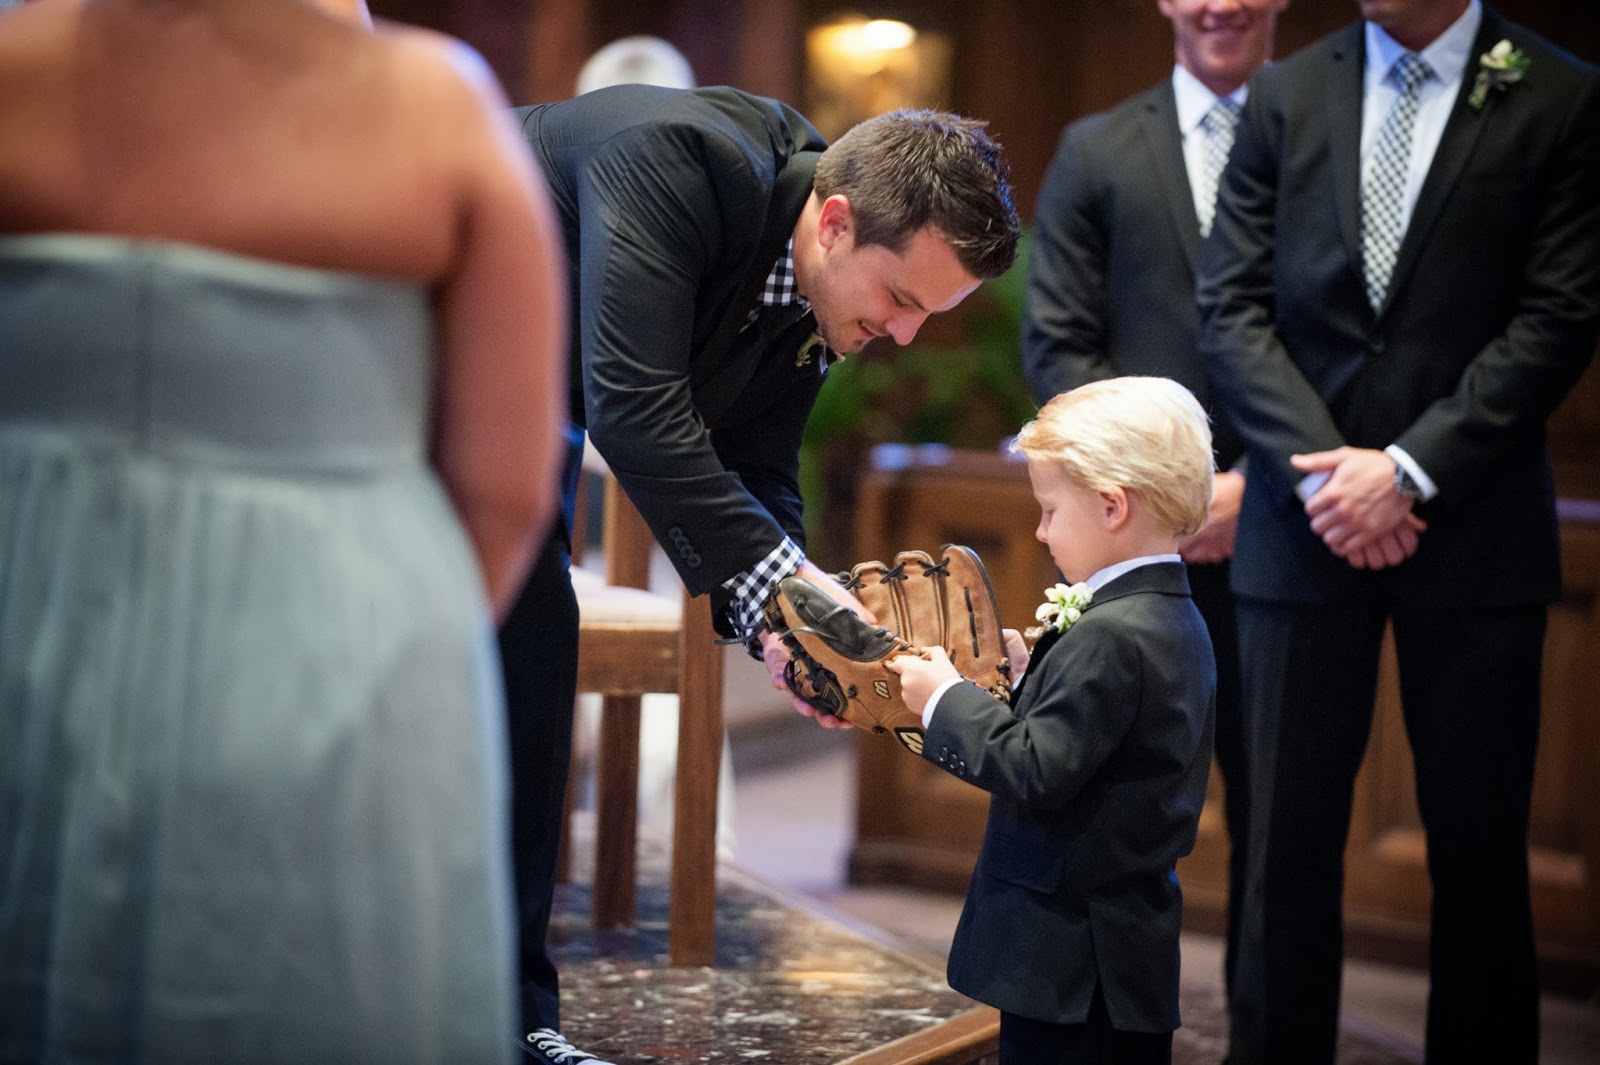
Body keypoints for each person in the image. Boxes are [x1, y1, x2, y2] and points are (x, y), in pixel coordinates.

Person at [0, 0, 568, 1061]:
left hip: (27, 636)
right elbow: (506, 488)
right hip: (340, 663)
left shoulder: (11, 72)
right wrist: (371, 631)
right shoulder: (432, 109)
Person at [497, 88, 1019, 1064]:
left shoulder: (820, 280)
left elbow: (762, 469)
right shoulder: (677, 160)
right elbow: (637, 414)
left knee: (533, 666)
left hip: (528, 401)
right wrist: (792, 595)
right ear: (834, 224)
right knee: (490, 662)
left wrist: (789, 639)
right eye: (901, 301)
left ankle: (515, 1021)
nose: (903, 337)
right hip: (418, 356)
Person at [1195, 0, 1600, 1061]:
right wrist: (1330, 477)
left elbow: (1559, 316)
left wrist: (1410, 472)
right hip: (1298, 524)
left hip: (1471, 532)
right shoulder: (1286, 90)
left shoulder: (1556, 93)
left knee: (1477, 854)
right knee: (1281, 848)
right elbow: (1229, 305)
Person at [1021, 0, 1286, 1020]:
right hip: (1131, 539)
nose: (1218, 3)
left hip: (1282, 531)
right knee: (1108, 796)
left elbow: (1344, 335)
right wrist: (1160, 497)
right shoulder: (1096, 147)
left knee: (1276, 824)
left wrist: (1256, 482)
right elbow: (1058, 340)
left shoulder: (1313, 132)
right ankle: (1100, 1017)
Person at [887, 376, 1217, 1065]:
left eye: (1048, 510)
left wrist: (943, 696)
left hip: (1071, 960)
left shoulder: (1113, 633)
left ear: (1111, 506)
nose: (1038, 531)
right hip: (1116, 948)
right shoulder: (1167, 614)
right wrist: (1034, 666)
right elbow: (1098, 735)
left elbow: (1037, 766)